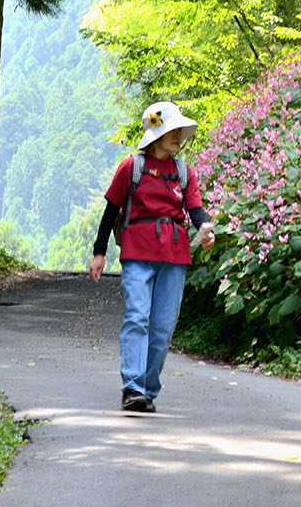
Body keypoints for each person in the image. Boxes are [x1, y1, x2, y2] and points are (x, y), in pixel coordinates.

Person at [88, 101, 217, 413]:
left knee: (162, 327)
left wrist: (206, 228)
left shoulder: (185, 173)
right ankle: (132, 387)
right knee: (137, 316)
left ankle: (146, 389)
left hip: (174, 255)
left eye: (179, 132)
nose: (178, 137)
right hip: (137, 251)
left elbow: (195, 209)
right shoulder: (131, 168)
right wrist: (99, 252)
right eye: (172, 131)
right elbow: (110, 211)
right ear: (155, 135)